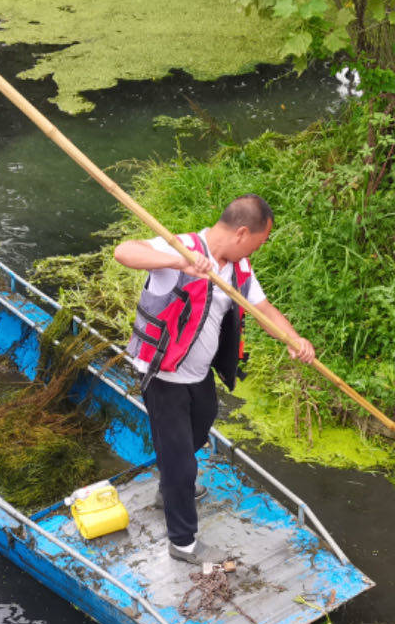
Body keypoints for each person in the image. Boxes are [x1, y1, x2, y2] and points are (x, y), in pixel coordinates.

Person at [114, 194, 315, 570]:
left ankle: (168, 489)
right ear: (242, 232)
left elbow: (264, 309)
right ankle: (183, 543)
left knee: (201, 427)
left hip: (198, 374)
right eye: (260, 240)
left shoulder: (239, 269)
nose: (260, 247)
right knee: (181, 464)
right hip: (164, 375)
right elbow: (125, 251)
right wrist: (178, 262)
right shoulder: (182, 248)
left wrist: (293, 339)